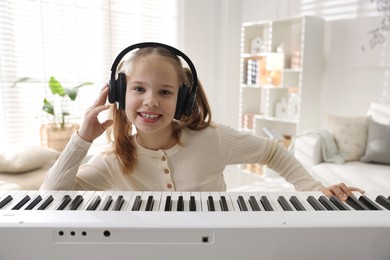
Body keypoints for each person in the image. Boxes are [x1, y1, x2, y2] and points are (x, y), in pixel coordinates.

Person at [40, 43, 364, 202]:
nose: (151, 100)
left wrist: (310, 187)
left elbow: (271, 151)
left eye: (165, 92)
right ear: (121, 94)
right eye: (139, 89)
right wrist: (82, 138)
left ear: (182, 100)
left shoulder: (212, 139)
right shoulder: (113, 161)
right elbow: (50, 195)